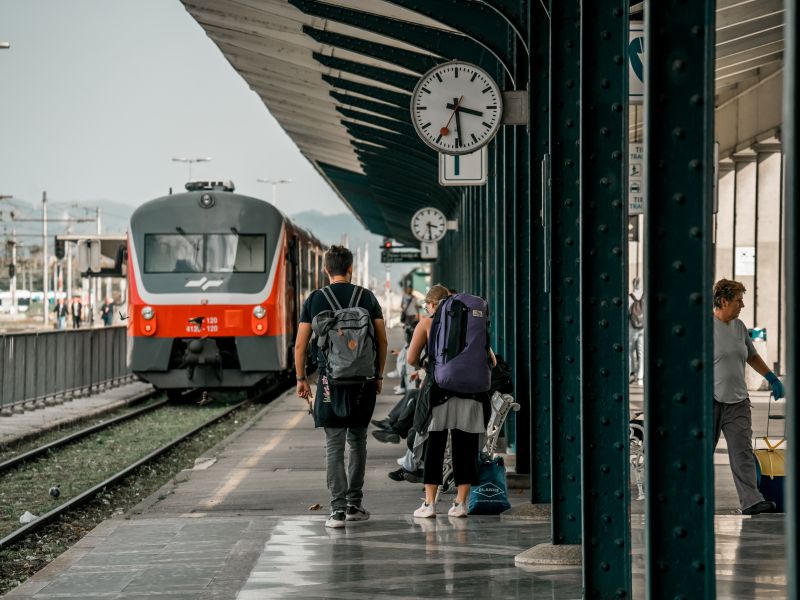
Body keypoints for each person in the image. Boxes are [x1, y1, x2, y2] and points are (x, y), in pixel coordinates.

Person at [294, 245, 388, 529]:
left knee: (334, 445)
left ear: (326, 270)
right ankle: (354, 506)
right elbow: (382, 340)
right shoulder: (367, 297)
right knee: (358, 441)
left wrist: (301, 379)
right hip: (363, 382)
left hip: (328, 382)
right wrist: (379, 376)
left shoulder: (315, 299)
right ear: (350, 269)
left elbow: (300, 345)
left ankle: (336, 512)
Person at [407, 284, 496, 519]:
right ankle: (460, 504)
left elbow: (411, 358)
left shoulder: (427, 323)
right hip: (472, 394)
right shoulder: (472, 323)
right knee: (465, 448)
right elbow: (492, 361)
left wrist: (426, 366)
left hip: (440, 392)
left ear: (432, 304)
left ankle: (429, 504)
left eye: (427, 305)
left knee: (434, 447)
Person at [713, 278, 785, 515]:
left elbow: (752, 356)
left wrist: (772, 378)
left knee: (742, 452)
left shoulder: (739, 327)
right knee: (701, 453)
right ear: (724, 301)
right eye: (738, 300)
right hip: (710, 401)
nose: (742, 305)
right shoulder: (704, 328)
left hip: (738, 402)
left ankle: (751, 501)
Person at [629, 278, 644, 385]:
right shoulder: (645, 297)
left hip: (632, 328)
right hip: (643, 328)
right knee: (641, 352)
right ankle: (640, 376)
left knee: (629, 351)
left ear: (633, 284)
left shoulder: (629, 297)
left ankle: (631, 373)